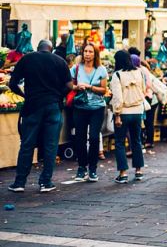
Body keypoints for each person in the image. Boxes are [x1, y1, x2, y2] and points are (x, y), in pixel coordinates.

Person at [7, 40, 71, 193]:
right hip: (53, 107)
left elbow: (12, 83)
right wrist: (58, 97)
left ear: (38, 48)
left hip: (32, 106)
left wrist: (24, 95)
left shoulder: (27, 59)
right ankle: (45, 182)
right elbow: (69, 86)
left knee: (27, 144)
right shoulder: (60, 61)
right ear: (51, 49)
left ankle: (20, 182)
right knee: (50, 145)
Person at [70, 43, 109, 182]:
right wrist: (77, 87)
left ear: (95, 54)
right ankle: (81, 168)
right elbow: (69, 85)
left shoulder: (101, 69)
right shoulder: (76, 68)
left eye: (90, 52)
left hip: (97, 108)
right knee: (79, 138)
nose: (87, 54)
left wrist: (90, 87)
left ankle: (92, 168)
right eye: (85, 51)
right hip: (80, 107)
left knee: (93, 138)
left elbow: (104, 90)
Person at [110, 50, 147, 183]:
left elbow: (117, 98)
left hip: (124, 112)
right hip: (137, 111)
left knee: (120, 142)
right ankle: (138, 171)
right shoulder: (139, 72)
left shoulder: (117, 75)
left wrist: (117, 114)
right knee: (136, 141)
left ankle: (123, 173)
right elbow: (143, 90)